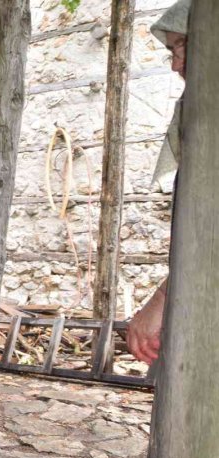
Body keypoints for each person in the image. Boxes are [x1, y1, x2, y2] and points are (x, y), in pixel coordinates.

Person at [126, 0, 189, 366]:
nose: (175, 64)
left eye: (183, 45)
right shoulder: (195, 111)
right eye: (172, 50)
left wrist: (164, 299)